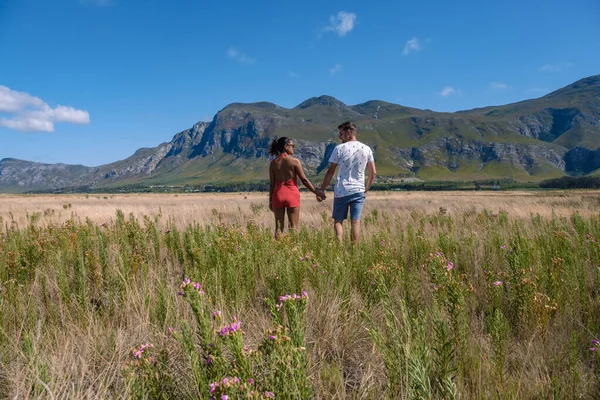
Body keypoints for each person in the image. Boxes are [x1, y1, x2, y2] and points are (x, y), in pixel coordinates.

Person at [318, 121, 376, 244]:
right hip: (359, 190)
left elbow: (330, 171)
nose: (340, 136)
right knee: (355, 221)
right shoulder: (366, 149)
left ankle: (338, 248)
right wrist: (366, 189)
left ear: (348, 132)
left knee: (338, 221)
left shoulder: (339, 149)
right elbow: (373, 173)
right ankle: (353, 250)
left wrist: (322, 189)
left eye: (341, 133)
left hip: (342, 190)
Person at [269, 137, 325, 237]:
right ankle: (293, 250)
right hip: (291, 194)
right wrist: (316, 192)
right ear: (286, 147)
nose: (293, 148)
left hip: (277, 195)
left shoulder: (273, 163)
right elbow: (304, 180)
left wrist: (270, 200)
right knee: (293, 227)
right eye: (292, 146)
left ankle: (278, 250)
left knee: (278, 228)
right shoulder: (294, 162)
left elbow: (272, 184)